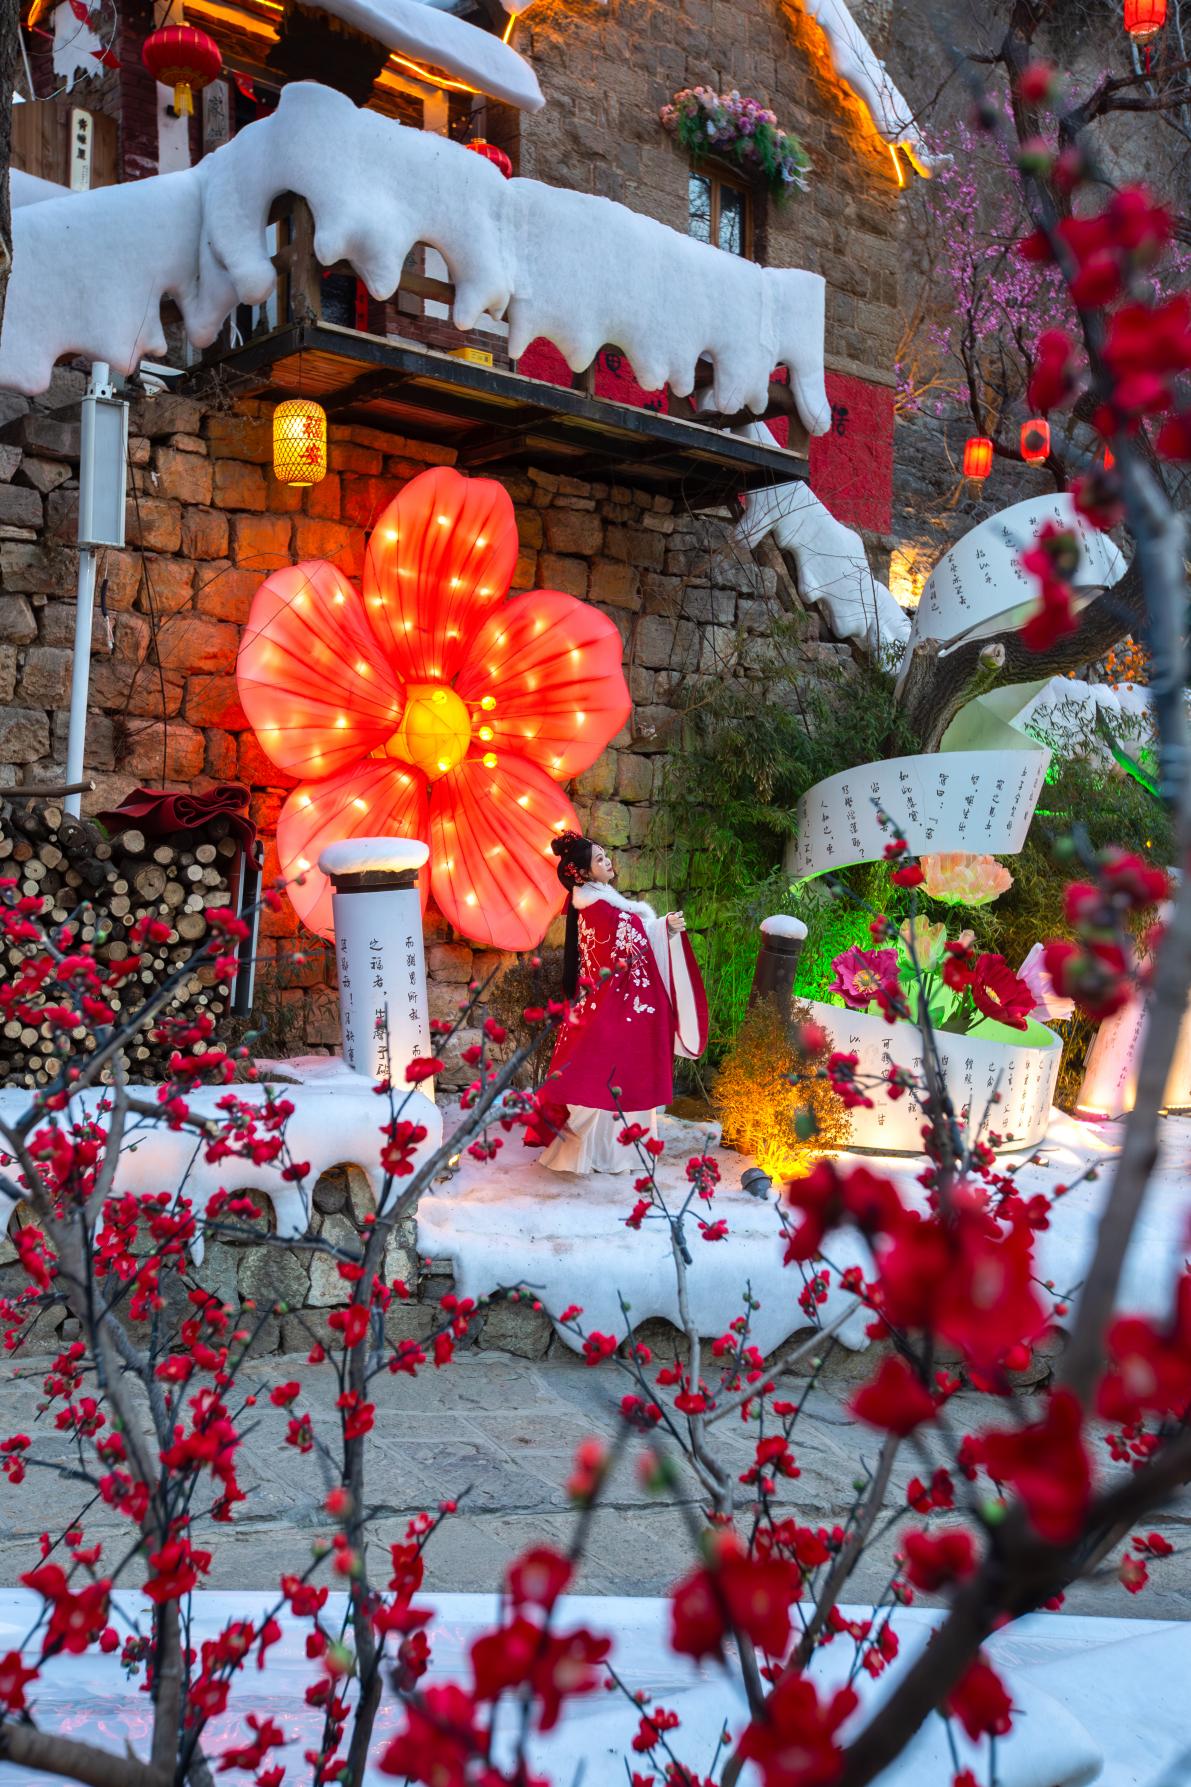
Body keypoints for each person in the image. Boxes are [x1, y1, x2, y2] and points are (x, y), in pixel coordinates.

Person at [534, 832, 708, 1174]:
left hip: (608, 1006)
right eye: (599, 859)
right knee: (611, 1079)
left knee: (607, 1079)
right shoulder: (598, 907)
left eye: (605, 855)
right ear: (584, 873)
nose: (607, 861)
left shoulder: (596, 902)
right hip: (615, 1008)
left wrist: (660, 927)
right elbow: (629, 945)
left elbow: (632, 935)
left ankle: (606, 1155)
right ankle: (609, 1156)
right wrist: (664, 928)